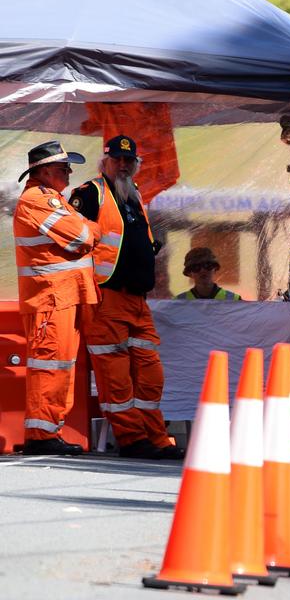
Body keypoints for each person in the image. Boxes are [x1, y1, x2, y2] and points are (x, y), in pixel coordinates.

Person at [70, 135, 184, 461]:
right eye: (117, 159)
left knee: (150, 373)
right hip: (106, 298)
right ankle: (132, 439)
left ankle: (156, 437)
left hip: (137, 301)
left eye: (128, 160)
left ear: (135, 164)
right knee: (115, 375)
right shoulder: (90, 194)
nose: (123, 165)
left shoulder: (133, 196)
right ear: (104, 160)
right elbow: (74, 240)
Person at [14, 141, 98, 455]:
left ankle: (48, 432)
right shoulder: (37, 200)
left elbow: (82, 233)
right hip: (50, 299)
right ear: (46, 171)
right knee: (49, 365)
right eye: (64, 169)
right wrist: (87, 229)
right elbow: (83, 236)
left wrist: (86, 229)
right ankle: (40, 435)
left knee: (59, 366)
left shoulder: (52, 199)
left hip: (60, 297)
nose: (69, 173)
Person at [175, 247, 243, 300]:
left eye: (208, 265)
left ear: (215, 269)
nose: (203, 270)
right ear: (189, 273)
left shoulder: (234, 301)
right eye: (196, 267)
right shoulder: (177, 303)